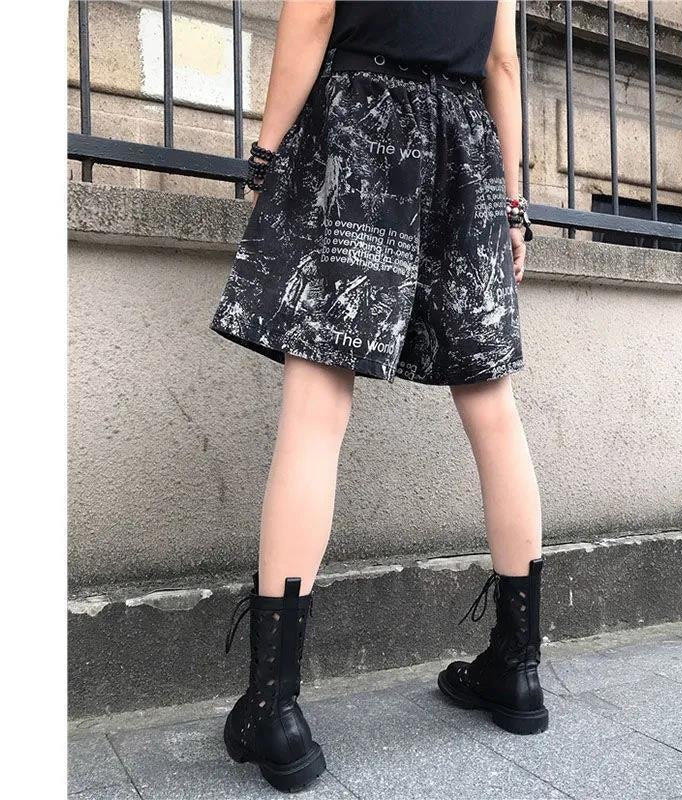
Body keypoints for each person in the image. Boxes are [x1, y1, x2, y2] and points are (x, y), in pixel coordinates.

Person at [212, 0, 548, 792]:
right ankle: (519, 667)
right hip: (466, 142)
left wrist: (266, 155)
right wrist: (513, 205)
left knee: (316, 410)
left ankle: (274, 707)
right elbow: (502, 62)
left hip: (362, 126)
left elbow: (314, 14)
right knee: (492, 406)